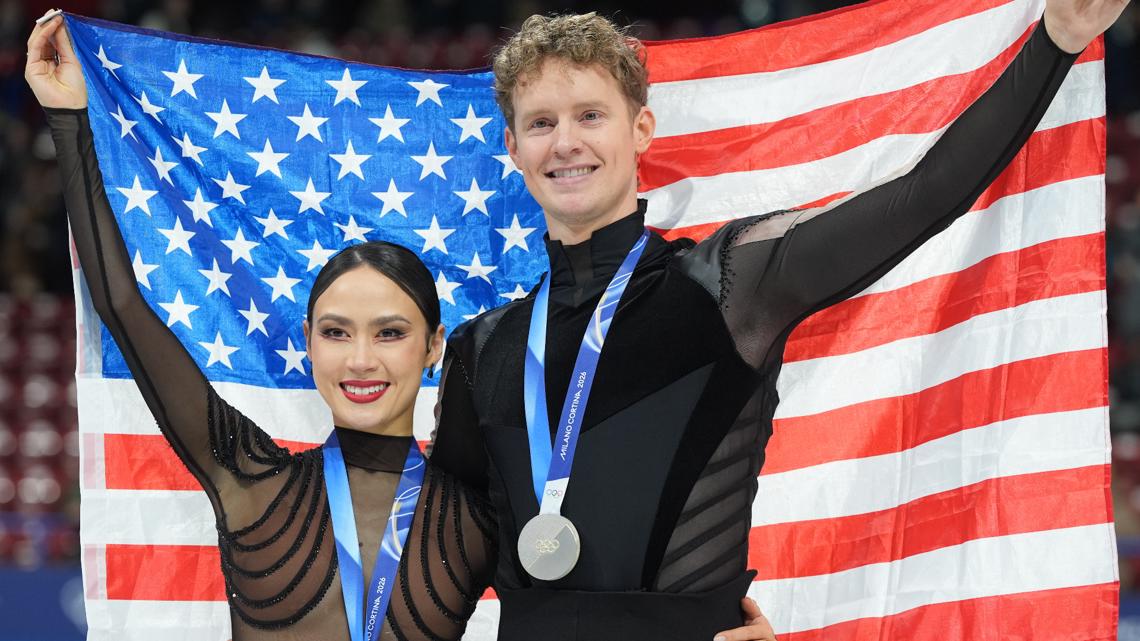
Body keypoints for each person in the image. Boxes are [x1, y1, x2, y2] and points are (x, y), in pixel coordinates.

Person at [25, 9, 781, 641]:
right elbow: (124, 306)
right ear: (309, 347)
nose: (361, 357)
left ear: (432, 351)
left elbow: (595, 566)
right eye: (335, 331)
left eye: (389, 332)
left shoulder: (474, 519)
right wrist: (67, 120)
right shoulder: (249, 480)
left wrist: (713, 616)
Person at [427, 2, 1129, 640]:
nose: (566, 142)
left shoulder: (731, 284)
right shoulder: (482, 352)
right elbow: (437, 572)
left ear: (641, 129)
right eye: (541, 123)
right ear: (514, 149)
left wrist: (1056, 42)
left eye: (590, 115)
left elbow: (918, 198)